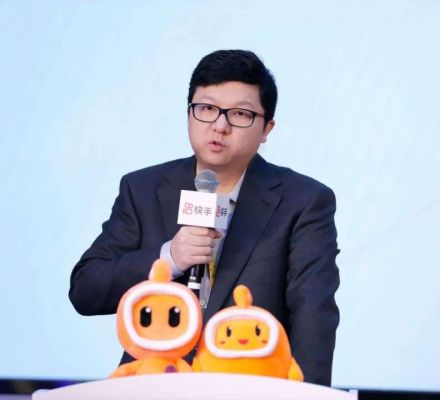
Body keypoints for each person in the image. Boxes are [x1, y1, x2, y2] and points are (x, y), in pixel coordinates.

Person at [69, 49, 340, 386]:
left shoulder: (303, 201)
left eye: (240, 114)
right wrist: (170, 258)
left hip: (247, 387)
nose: (220, 126)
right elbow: (86, 289)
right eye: (207, 109)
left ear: (266, 128)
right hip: (154, 387)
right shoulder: (143, 188)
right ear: (189, 113)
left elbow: (313, 314)